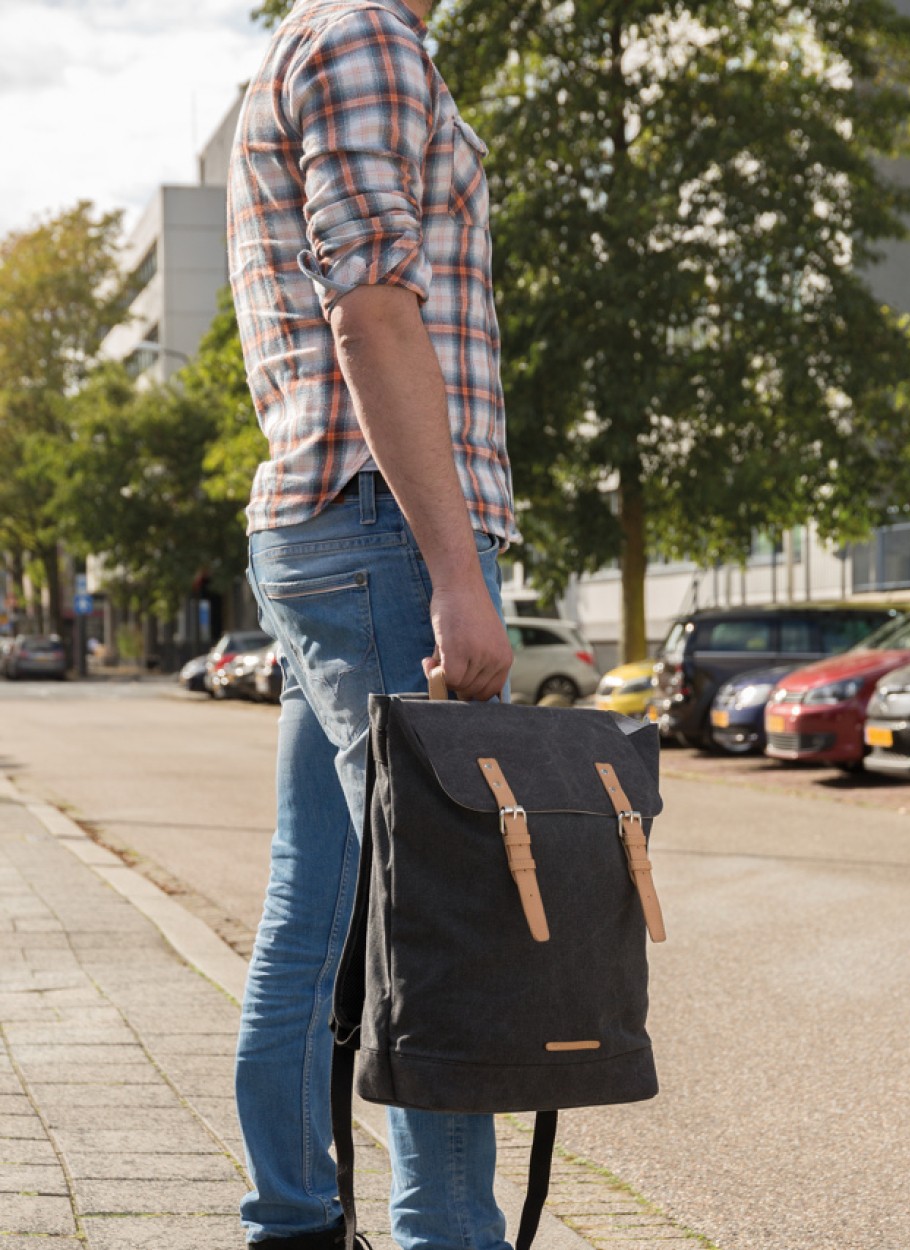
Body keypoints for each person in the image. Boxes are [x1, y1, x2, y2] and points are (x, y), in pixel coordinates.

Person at [227, 0, 519, 1246]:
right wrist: (459, 573)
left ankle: (293, 1213)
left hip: (324, 533)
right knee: (439, 906)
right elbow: (372, 308)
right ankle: (445, 1229)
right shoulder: (361, 38)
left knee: (322, 892)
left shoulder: (299, 49)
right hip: (386, 529)